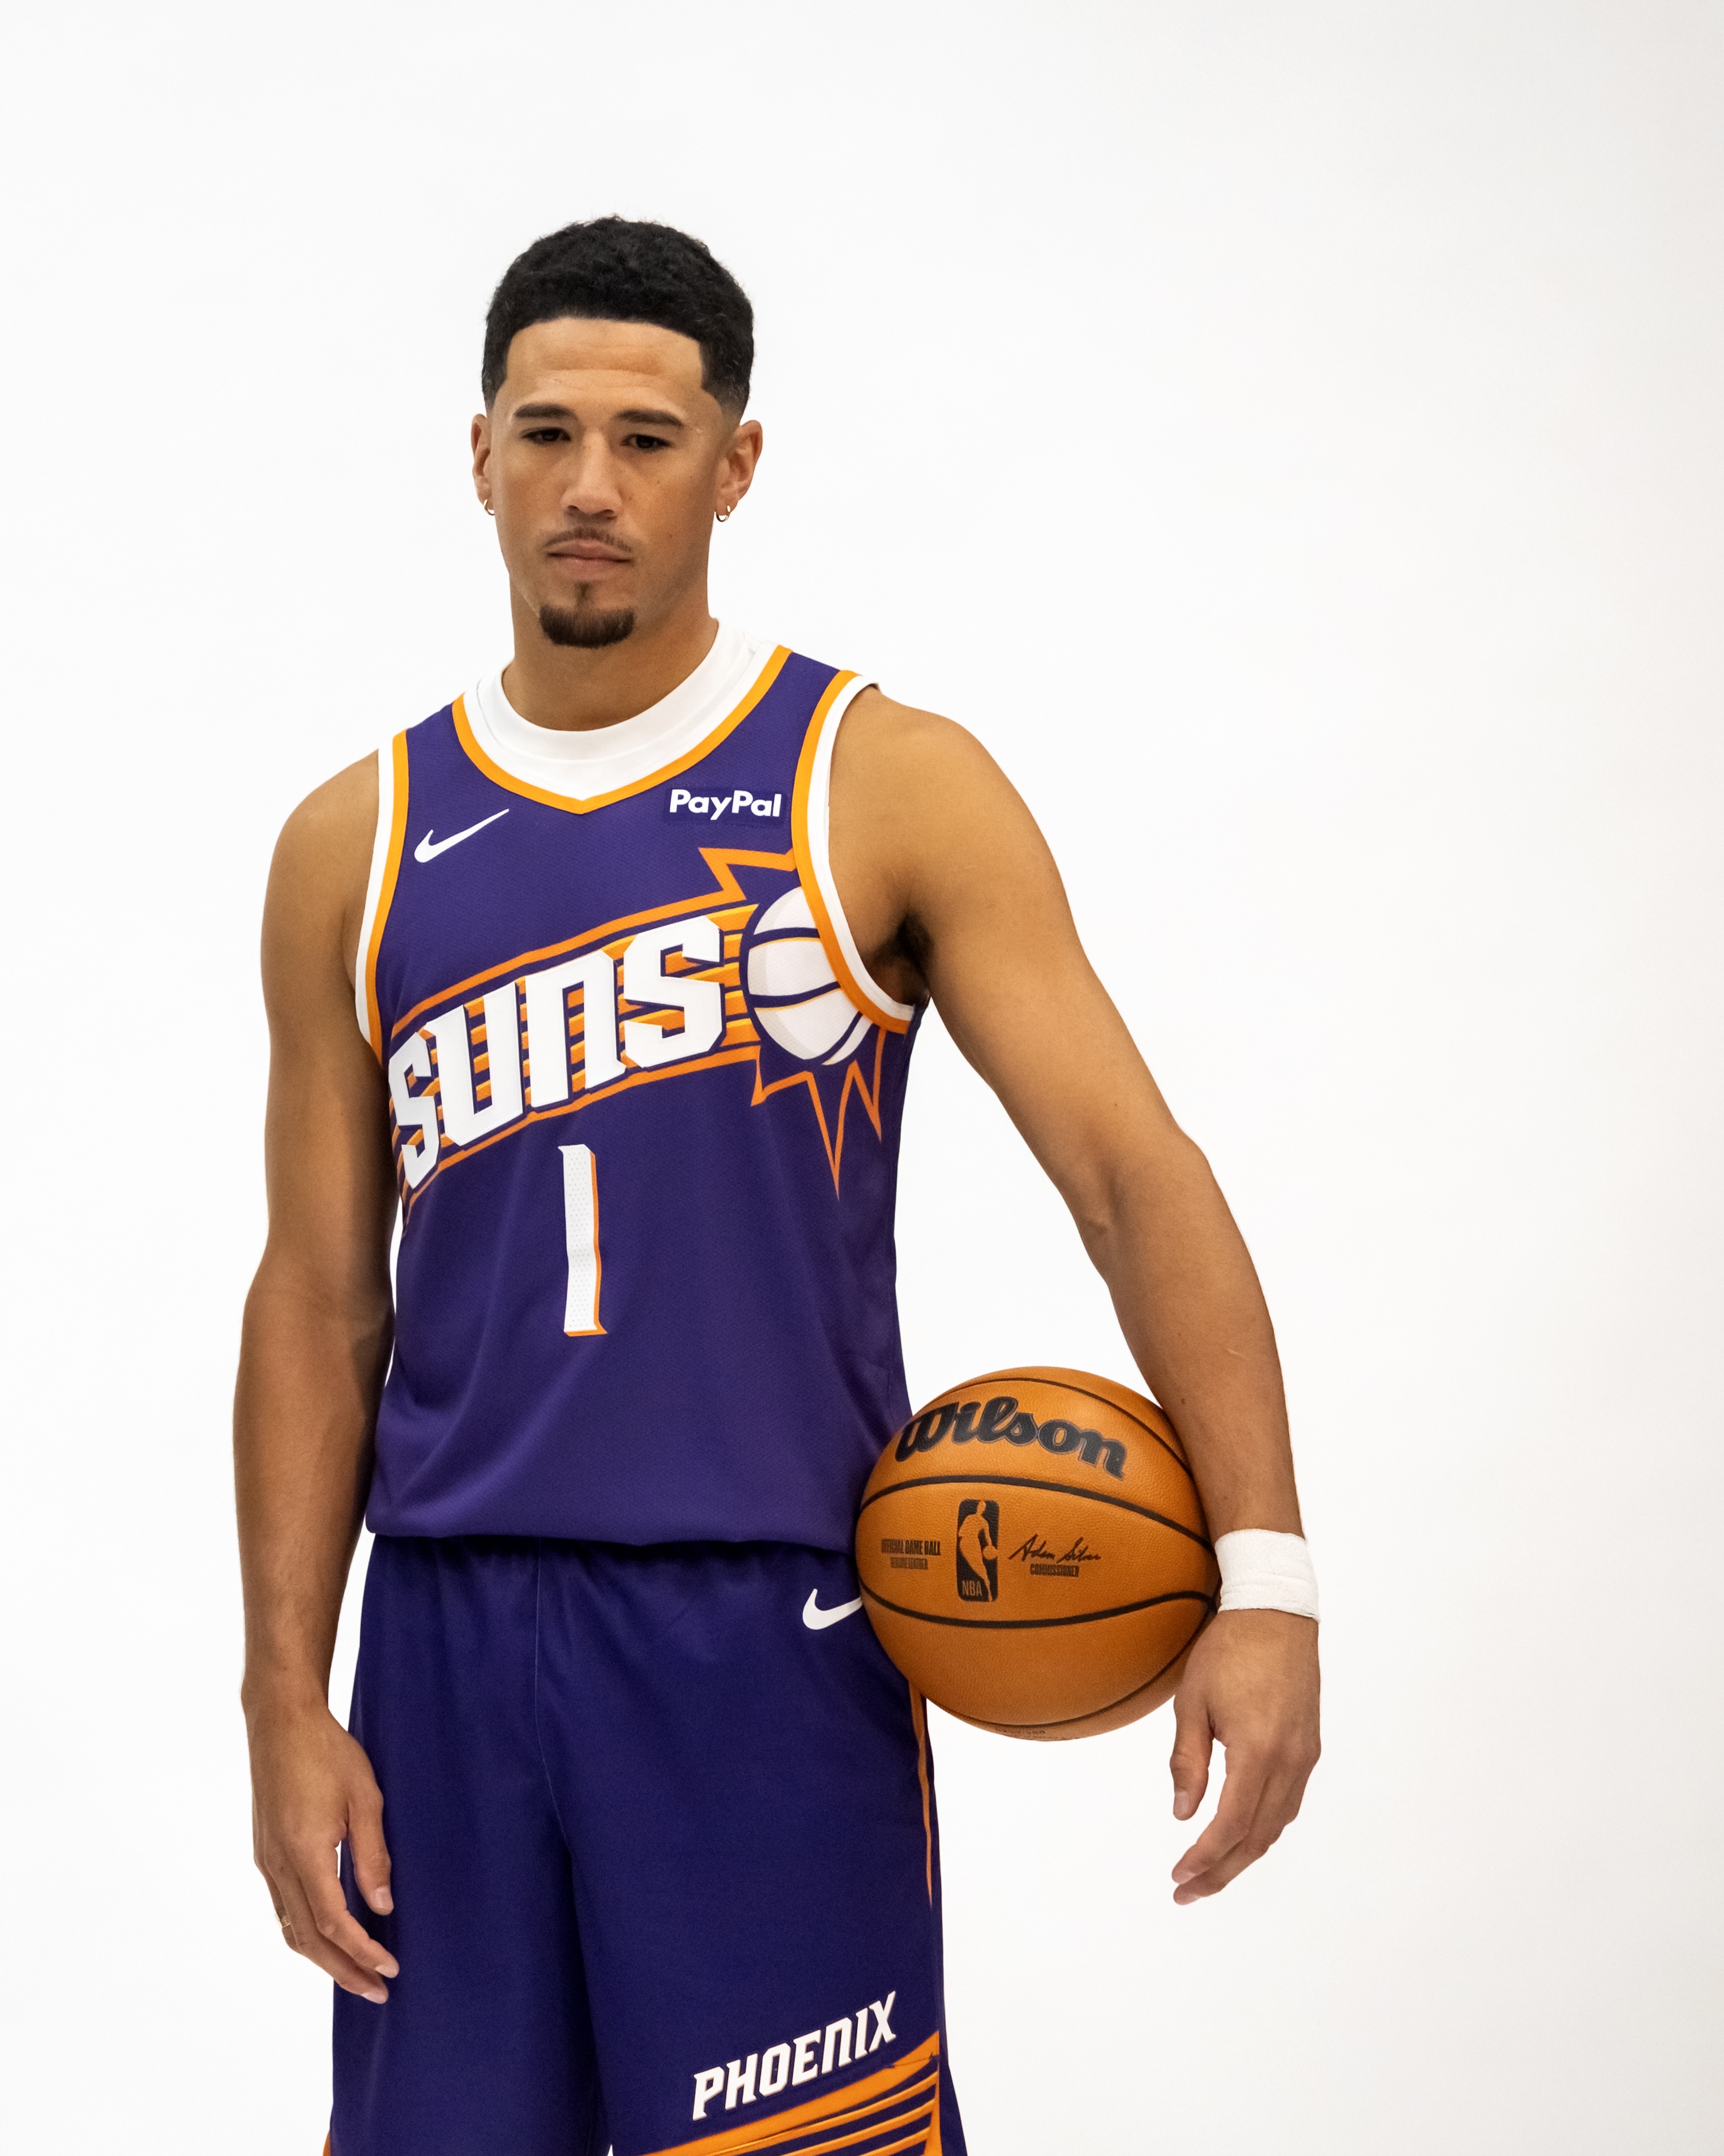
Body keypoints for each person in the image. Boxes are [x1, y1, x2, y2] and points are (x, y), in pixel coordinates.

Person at [231, 216, 1323, 2155]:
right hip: (447, 1645)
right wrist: (282, 1698)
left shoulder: (877, 780)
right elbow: (319, 1298)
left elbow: (1129, 1178)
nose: (589, 486)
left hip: (768, 1631)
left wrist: (1266, 1580)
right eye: (545, 433)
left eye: (645, 441)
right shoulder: (356, 838)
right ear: (476, 454)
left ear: (734, 465)